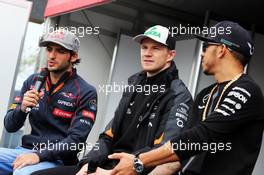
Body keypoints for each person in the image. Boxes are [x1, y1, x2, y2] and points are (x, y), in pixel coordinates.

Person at [31, 25, 195, 175]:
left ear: (170, 55)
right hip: (107, 165)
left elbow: (165, 152)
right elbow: (108, 136)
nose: (147, 53)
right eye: (144, 47)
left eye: (156, 48)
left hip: (135, 170)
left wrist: (112, 172)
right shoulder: (134, 84)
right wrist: (88, 164)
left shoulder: (178, 95)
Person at [108, 21, 264, 175]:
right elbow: (176, 158)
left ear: (221, 50)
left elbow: (201, 136)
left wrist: (139, 161)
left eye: (206, 47)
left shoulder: (247, 91)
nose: (202, 53)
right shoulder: (205, 94)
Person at [0, 29, 97, 175]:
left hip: (57, 159)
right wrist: (22, 108)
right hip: (25, 150)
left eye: (60, 51)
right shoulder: (33, 81)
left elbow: (76, 141)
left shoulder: (85, 91)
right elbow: (10, 126)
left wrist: (39, 156)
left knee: (22, 173)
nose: (52, 56)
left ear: (73, 56)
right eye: (49, 49)